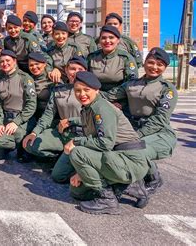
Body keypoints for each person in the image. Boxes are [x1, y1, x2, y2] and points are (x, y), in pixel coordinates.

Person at [65, 71, 149, 214]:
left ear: (96, 90)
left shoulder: (101, 108)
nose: (82, 94)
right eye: (78, 90)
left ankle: (107, 200)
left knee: (77, 152)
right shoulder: (88, 108)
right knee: (77, 192)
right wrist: (81, 172)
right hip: (117, 159)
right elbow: (95, 147)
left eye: (87, 90)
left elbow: (105, 143)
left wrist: (76, 141)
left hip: (129, 160)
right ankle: (130, 186)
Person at [103, 47, 177, 195]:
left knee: (136, 148)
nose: (154, 67)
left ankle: (153, 178)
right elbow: (108, 96)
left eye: (160, 64)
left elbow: (160, 119)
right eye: (151, 62)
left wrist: (137, 135)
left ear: (165, 68)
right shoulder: (131, 84)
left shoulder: (167, 89)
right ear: (144, 63)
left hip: (159, 132)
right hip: (134, 128)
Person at [22, 56, 87, 182]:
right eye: (72, 69)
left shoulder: (89, 91)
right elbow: (48, 115)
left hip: (82, 136)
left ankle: (71, 163)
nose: (76, 72)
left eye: (80, 69)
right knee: (30, 144)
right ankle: (59, 157)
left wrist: (71, 121)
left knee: (58, 177)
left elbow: (94, 118)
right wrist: (34, 132)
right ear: (66, 71)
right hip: (63, 134)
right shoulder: (58, 90)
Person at [0, 50, 37, 162]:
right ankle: (11, 144)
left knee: (0, 140)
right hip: (6, 119)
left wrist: (17, 122)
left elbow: (31, 104)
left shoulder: (25, 78)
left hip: (22, 121)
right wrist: (0, 124)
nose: (4, 63)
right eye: (2, 61)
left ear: (14, 61)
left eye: (8, 60)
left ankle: (21, 145)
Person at [88, 25, 138, 92]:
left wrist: (110, 97)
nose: (107, 41)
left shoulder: (126, 58)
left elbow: (131, 83)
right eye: (103, 38)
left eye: (111, 38)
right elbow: (85, 79)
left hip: (118, 98)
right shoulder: (92, 57)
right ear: (99, 40)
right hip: (94, 96)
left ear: (118, 40)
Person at [28, 52, 54, 119]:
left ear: (45, 64)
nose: (34, 67)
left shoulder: (52, 78)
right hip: (34, 117)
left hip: (51, 117)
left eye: (37, 64)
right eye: (31, 65)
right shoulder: (28, 79)